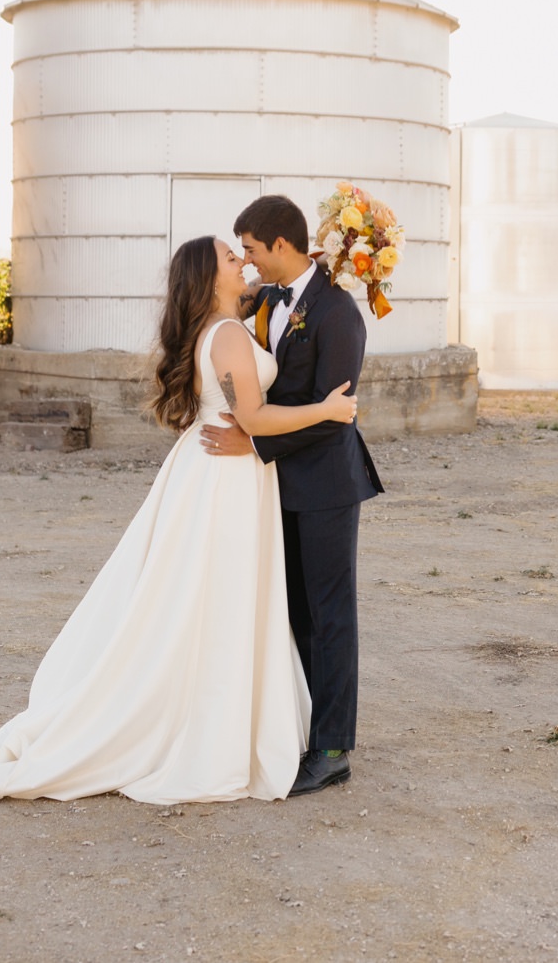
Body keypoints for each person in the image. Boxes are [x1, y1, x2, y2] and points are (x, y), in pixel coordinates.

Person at [0, 236, 356, 806]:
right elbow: (254, 417)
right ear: (212, 280)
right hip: (225, 477)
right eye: (231, 258)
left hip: (214, 468)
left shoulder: (221, 328)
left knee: (201, 597)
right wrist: (329, 410)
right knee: (218, 597)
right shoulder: (230, 334)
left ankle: (221, 714)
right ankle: (211, 725)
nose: (243, 262)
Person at [202, 194, 383, 796]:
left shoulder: (338, 316)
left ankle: (333, 747)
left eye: (251, 250)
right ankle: (303, 724)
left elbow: (336, 417)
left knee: (331, 614)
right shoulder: (268, 304)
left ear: (281, 245)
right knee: (294, 611)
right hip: (278, 484)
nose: (248, 263)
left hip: (328, 483)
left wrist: (254, 443)